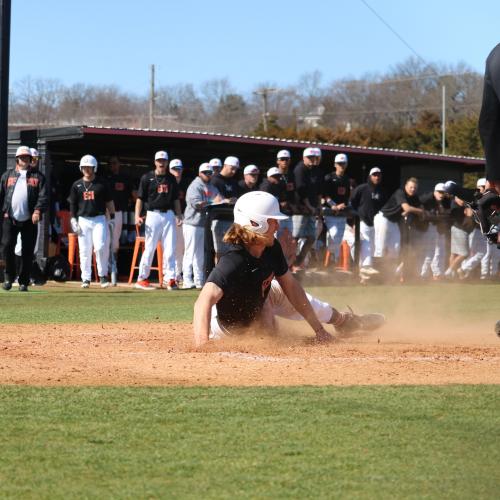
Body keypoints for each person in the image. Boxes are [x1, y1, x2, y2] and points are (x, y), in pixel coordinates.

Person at [192, 191, 385, 347]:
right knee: (271, 338)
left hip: (262, 296)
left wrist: (319, 330)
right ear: (254, 223)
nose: (277, 225)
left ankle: (344, 322)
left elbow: (291, 288)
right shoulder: (233, 261)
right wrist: (203, 344)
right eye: (272, 220)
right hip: (230, 326)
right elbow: (203, 301)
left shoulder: (271, 247)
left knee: (298, 298)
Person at [0, 146, 47, 292]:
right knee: (7, 247)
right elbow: (1, 195)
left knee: (27, 251)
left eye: (27, 157)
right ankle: (9, 278)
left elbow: (43, 196)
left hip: (29, 220)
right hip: (10, 218)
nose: (25, 160)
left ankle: (24, 281)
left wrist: (37, 211)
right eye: (22, 157)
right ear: (17, 159)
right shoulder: (7, 175)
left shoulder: (38, 177)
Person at [134, 151, 183, 290]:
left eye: (164, 160)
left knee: (170, 248)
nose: (161, 163)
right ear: (155, 162)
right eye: (159, 160)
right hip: (152, 214)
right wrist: (137, 216)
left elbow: (175, 199)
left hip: (168, 214)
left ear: (167, 162)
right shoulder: (147, 177)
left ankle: (170, 279)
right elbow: (140, 199)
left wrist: (179, 215)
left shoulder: (171, 178)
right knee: (150, 247)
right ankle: (142, 278)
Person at [69, 154, 115, 289]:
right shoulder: (76, 185)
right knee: (84, 250)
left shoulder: (102, 184)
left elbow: (109, 202)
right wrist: (73, 219)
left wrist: (112, 217)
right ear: (81, 168)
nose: (87, 170)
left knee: (100, 247)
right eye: (84, 167)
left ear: (94, 168)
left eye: (89, 167)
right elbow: (73, 204)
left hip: (99, 219)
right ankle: (86, 279)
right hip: (83, 220)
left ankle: (102, 276)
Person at [183, 163, 224, 289]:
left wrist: (224, 201)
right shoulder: (195, 185)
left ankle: (198, 280)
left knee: (200, 254)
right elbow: (196, 204)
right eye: (205, 172)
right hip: (192, 223)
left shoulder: (211, 186)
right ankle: (186, 280)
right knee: (190, 252)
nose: (208, 175)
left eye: (210, 172)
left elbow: (220, 199)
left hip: (203, 224)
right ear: (199, 173)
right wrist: (214, 202)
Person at [374, 177, 425, 279]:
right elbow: (407, 208)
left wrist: (415, 210)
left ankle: (390, 275)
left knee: (396, 249)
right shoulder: (400, 192)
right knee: (380, 246)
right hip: (383, 218)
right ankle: (374, 274)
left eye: (415, 188)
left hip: (394, 222)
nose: (413, 189)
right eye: (411, 187)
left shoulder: (414, 197)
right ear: (406, 186)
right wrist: (417, 211)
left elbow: (421, 209)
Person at [350, 167, 387, 278]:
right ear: (370, 176)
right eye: (374, 175)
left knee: (370, 246)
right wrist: (353, 220)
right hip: (361, 221)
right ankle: (364, 267)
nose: (377, 177)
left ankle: (363, 272)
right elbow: (352, 202)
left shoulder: (381, 191)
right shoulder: (362, 188)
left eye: (378, 175)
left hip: (373, 223)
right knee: (364, 244)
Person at [292, 147, 323, 271]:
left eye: (313, 157)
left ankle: (298, 261)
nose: (312, 160)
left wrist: (318, 206)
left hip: (311, 210)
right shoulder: (300, 169)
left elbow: (318, 191)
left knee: (311, 237)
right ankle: (291, 263)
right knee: (296, 237)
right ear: (304, 158)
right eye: (309, 157)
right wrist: (309, 206)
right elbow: (301, 189)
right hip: (301, 210)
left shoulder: (314, 171)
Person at [106, 155, 134, 284]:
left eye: (115, 163)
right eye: (111, 163)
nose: (113, 165)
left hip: (118, 213)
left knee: (115, 242)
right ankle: (105, 271)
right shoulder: (104, 178)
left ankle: (113, 269)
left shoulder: (125, 179)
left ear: (119, 164)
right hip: (104, 214)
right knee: (104, 242)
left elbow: (134, 196)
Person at [322, 153, 351, 268]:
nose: (341, 166)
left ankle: (332, 259)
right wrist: (334, 205)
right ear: (335, 164)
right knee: (333, 235)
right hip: (330, 211)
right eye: (339, 163)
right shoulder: (329, 178)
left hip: (342, 213)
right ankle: (329, 257)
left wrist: (345, 205)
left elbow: (348, 196)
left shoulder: (346, 179)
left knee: (338, 238)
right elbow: (325, 195)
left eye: (343, 163)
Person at [418, 183, 451, 280]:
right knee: (426, 252)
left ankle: (432, 274)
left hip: (438, 228)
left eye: (443, 192)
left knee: (434, 252)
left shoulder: (445, 201)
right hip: (427, 227)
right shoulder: (427, 198)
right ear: (435, 191)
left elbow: (447, 214)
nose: (441, 194)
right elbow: (418, 204)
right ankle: (422, 274)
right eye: (439, 192)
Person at [210, 156, 240, 260]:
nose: (233, 171)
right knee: (220, 250)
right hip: (218, 218)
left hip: (231, 219)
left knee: (231, 250)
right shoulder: (215, 180)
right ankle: (219, 274)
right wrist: (225, 200)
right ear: (225, 165)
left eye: (235, 169)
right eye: (232, 168)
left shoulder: (234, 182)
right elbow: (213, 199)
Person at [169, 158, 190, 284]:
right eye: (174, 169)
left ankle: (178, 273)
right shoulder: (168, 182)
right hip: (170, 216)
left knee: (182, 247)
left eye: (179, 169)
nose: (177, 171)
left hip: (184, 217)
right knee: (171, 246)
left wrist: (181, 216)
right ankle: (170, 273)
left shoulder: (186, 183)